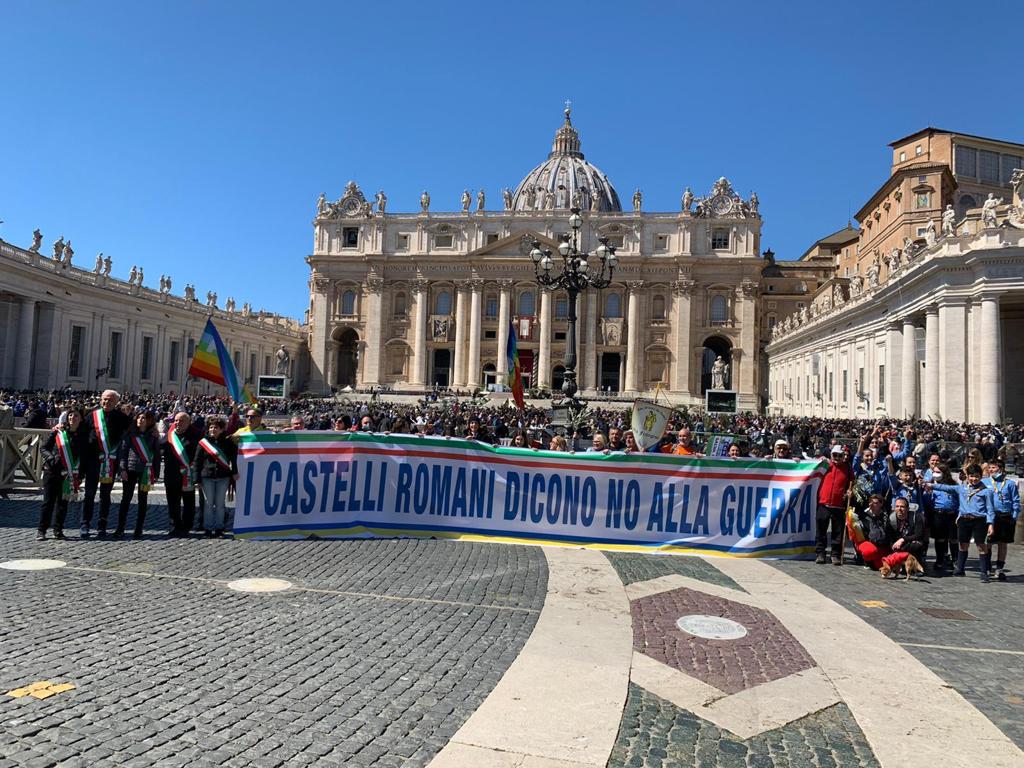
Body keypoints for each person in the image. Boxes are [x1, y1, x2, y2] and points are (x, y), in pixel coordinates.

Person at [928, 464, 998, 582]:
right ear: (967, 476)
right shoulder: (962, 488)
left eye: (977, 476)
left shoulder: (987, 491)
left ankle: (984, 571)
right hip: (964, 519)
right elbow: (946, 488)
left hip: (979, 520)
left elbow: (990, 509)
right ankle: (960, 568)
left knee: (981, 545)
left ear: (981, 477)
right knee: (962, 544)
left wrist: (990, 524)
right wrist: (930, 485)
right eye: (971, 476)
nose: (974, 479)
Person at [80, 389, 133, 537]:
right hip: (93, 461)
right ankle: (85, 523)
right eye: (104, 399)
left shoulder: (122, 418)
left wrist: (154, 431)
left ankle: (102, 525)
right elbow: (80, 432)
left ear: (116, 402)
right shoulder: (92, 416)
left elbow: (135, 431)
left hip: (110, 463)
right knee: (89, 494)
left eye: (110, 400)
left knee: (105, 495)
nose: (106, 402)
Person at [37, 407, 89, 541]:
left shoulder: (83, 436)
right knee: (48, 502)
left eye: (76, 415)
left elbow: (84, 457)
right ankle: (41, 530)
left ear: (81, 419)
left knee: (63, 503)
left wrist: (81, 475)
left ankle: (58, 530)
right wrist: (50, 458)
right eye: (70, 415)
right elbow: (44, 448)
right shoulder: (58, 432)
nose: (73, 418)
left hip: (69, 474)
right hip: (52, 471)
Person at [116, 412, 160, 539]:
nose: (141, 420)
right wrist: (122, 469)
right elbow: (123, 453)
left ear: (149, 421)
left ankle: (139, 528)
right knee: (126, 499)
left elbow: (156, 455)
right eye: (139, 417)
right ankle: (120, 528)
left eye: (144, 418)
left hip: (145, 472)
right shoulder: (129, 434)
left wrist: (155, 473)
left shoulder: (153, 436)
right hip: (130, 469)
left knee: (143, 500)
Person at [193, 417, 238, 537]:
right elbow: (197, 461)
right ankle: (207, 528)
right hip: (207, 476)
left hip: (223, 476)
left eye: (216, 427)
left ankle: (219, 528)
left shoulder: (228, 442)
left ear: (222, 429)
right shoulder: (203, 443)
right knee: (208, 503)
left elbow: (233, 459)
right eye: (211, 427)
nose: (213, 429)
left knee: (220, 503)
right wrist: (196, 480)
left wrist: (234, 471)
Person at [163, 411, 200, 537]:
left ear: (189, 422)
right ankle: (175, 524)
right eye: (176, 420)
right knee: (173, 501)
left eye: (181, 421)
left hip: (187, 475)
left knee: (188, 502)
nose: (178, 423)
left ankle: (187, 526)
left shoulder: (196, 436)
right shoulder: (169, 436)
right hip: (171, 474)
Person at [983, 458, 1019, 581]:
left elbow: (1015, 501)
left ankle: (999, 568)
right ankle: (986, 567)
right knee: (988, 542)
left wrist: (1014, 516)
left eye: (993, 467)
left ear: (1001, 469)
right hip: (990, 517)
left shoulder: (1010, 484)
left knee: (1002, 543)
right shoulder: (985, 482)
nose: (991, 470)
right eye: (990, 468)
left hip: (1005, 516)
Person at [816, 445, 852, 565]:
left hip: (839, 505)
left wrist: (849, 491)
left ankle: (835, 554)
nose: (837, 457)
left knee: (838, 532)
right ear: (831, 455)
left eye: (840, 455)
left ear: (843, 457)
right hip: (823, 503)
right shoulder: (825, 465)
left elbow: (852, 482)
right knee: (821, 530)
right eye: (834, 455)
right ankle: (820, 553)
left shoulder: (847, 468)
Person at [928, 462, 959, 572]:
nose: (935, 474)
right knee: (940, 539)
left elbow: (959, 499)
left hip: (951, 514)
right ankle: (940, 560)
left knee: (953, 539)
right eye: (934, 472)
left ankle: (955, 560)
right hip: (938, 514)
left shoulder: (953, 485)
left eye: (938, 472)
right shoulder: (930, 484)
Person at [853, 495, 891, 569]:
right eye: (870, 502)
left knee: (882, 565)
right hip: (866, 541)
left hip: (881, 544)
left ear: (881, 504)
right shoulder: (863, 514)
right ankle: (862, 557)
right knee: (869, 552)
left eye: (874, 503)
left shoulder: (885, 516)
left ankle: (873, 561)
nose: (871, 504)